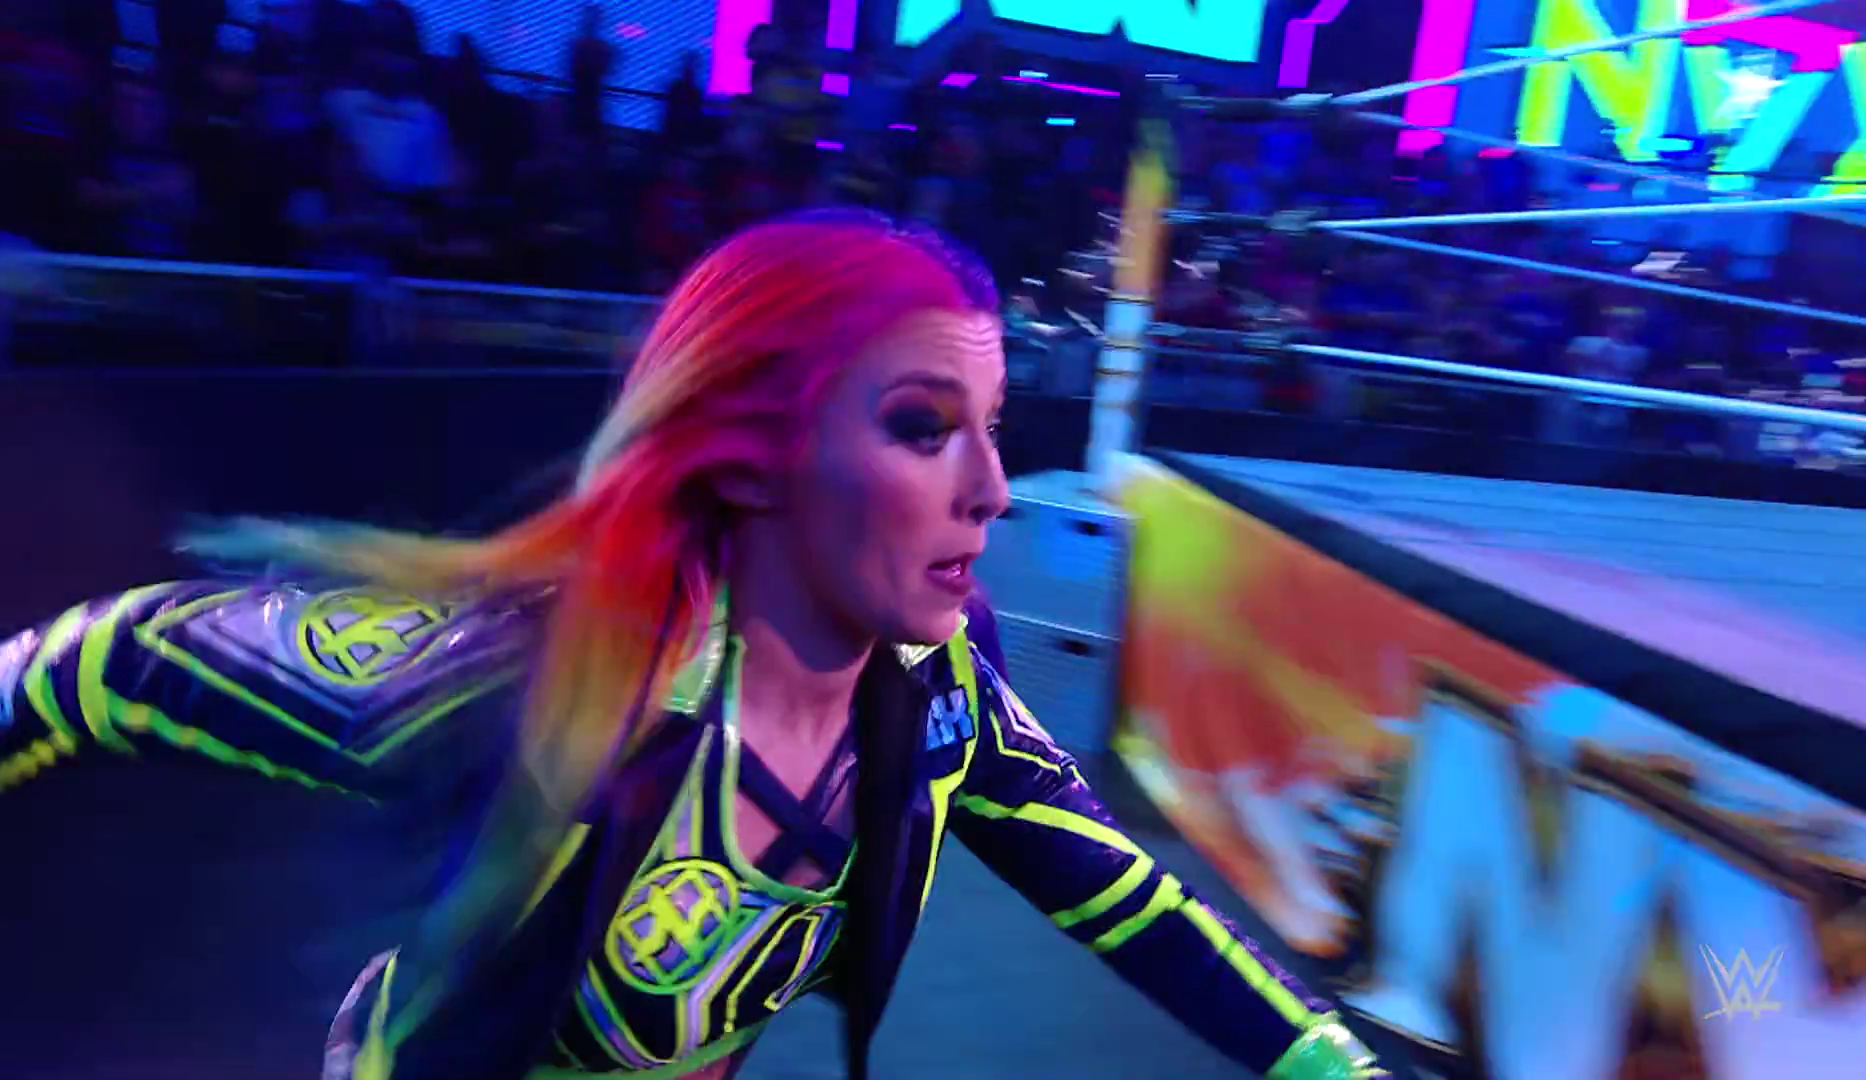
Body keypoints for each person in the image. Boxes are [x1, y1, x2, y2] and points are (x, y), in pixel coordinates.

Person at [0, 214, 1390, 1080]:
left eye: (992, 428)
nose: (993, 490)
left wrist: (1331, 1064)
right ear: (753, 456)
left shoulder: (940, 685)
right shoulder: (522, 681)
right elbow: (105, 661)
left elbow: (1123, 895)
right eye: (922, 428)